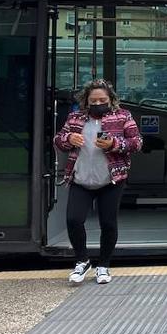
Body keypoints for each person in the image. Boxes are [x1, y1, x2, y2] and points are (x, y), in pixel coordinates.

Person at [53, 78, 142, 285]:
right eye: (93, 101)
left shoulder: (123, 116)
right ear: (86, 101)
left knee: (108, 223)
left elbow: (136, 143)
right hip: (80, 178)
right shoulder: (75, 118)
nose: (98, 103)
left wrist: (113, 144)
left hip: (111, 179)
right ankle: (82, 261)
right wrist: (68, 139)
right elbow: (58, 139)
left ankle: (104, 265)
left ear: (111, 99)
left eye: (102, 100)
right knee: (73, 220)